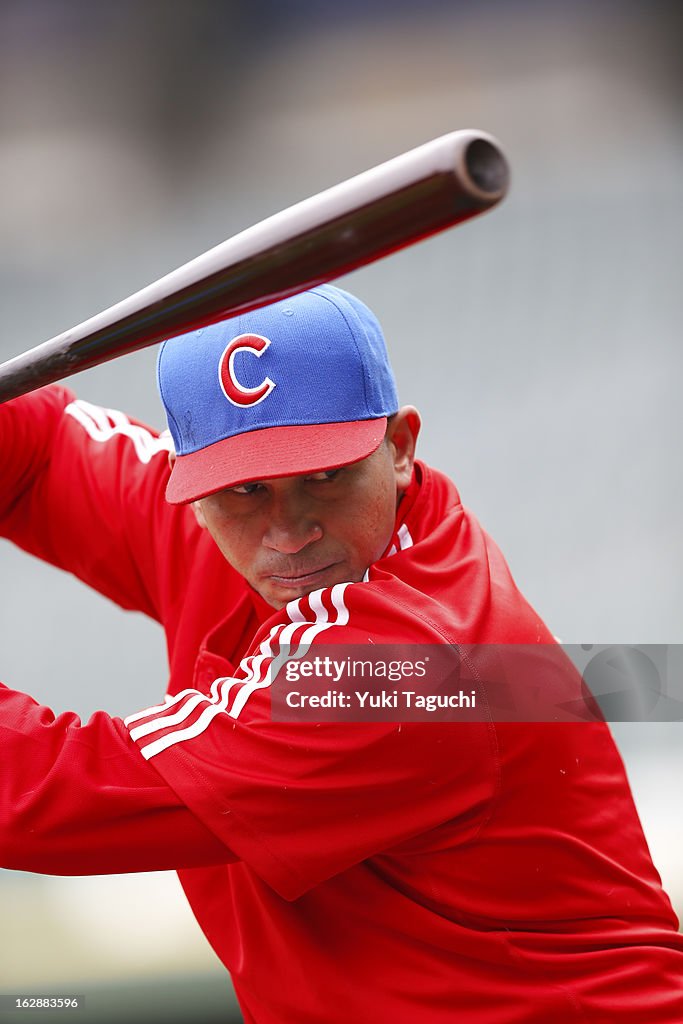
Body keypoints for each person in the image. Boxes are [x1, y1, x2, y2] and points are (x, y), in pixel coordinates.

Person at [0, 284, 681, 1024]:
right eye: (246, 488)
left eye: (324, 477)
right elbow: (36, 454)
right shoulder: (239, 533)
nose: (288, 531)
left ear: (397, 446)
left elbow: (43, 800)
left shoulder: (410, 668)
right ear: (188, 488)